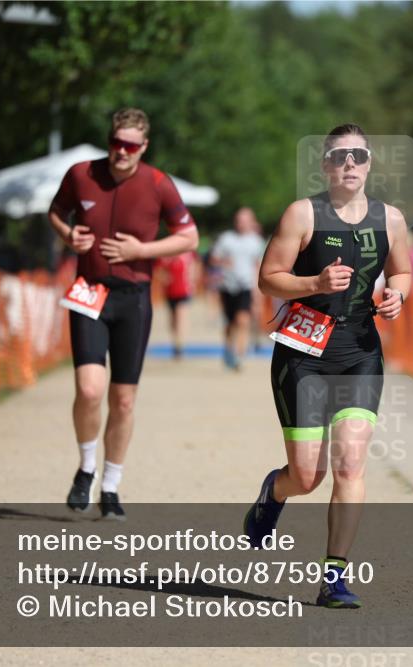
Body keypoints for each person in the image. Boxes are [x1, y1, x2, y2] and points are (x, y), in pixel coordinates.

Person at [244, 124, 411, 608]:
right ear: (325, 164)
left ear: (370, 162)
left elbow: (401, 270)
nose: (350, 164)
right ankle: (273, 494)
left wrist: (398, 294)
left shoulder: (391, 219)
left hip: (359, 352)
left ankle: (334, 577)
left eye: (358, 155)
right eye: (340, 157)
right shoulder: (303, 214)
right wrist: (314, 282)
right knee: (306, 477)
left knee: (351, 461)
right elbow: (268, 279)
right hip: (303, 355)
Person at [48, 107, 199, 520]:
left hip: (133, 297)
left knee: (124, 399)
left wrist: (141, 251)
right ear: (109, 140)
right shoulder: (82, 174)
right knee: (90, 390)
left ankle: (111, 485)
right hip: (89, 292)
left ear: (143, 147)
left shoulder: (157, 183)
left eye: (130, 146)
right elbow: (57, 212)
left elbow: (189, 237)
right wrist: (68, 234)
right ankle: (86, 466)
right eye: (116, 142)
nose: (121, 152)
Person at [210, 208, 266, 370]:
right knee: (230, 323)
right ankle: (228, 349)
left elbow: (258, 266)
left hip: (246, 285)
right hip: (227, 286)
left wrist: (258, 291)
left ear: (251, 222)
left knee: (243, 320)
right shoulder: (226, 238)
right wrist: (223, 263)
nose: (241, 223)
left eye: (244, 220)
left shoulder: (256, 241)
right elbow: (214, 259)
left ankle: (239, 356)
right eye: (239, 220)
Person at [156, 249, 198, 359]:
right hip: (170, 291)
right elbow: (158, 270)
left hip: (184, 290)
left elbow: (194, 268)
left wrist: (193, 281)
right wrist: (165, 278)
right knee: (173, 319)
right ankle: (175, 342)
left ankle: (180, 345)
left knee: (181, 316)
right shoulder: (166, 255)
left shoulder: (189, 254)